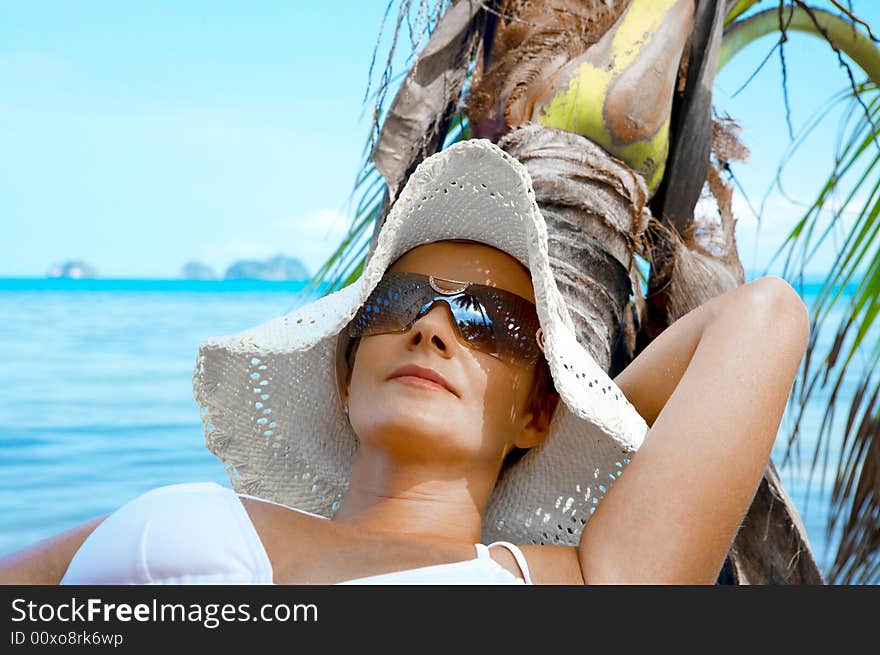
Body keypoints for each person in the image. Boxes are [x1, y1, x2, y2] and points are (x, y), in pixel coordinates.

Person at [0, 139, 810, 585]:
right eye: (399, 303)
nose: (432, 327)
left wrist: (567, 430)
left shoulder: (566, 583)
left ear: (536, 410)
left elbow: (762, 319)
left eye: (488, 322)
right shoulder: (188, 508)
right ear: (347, 373)